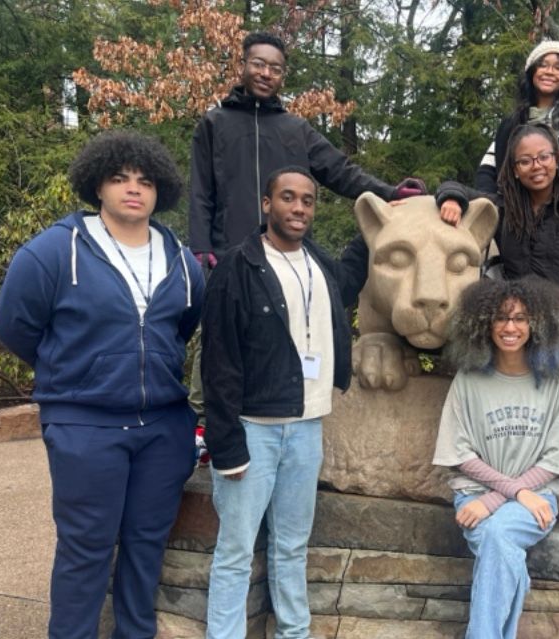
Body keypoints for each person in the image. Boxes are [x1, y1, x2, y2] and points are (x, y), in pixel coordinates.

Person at [0, 130, 204, 638]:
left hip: (162, 425)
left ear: (161, 191)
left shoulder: (182, 259)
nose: (134, 189)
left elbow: (183, 325)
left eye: (145, 180)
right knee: (86, 547)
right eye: (119, 178)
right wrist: (78, 371)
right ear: (98, 185)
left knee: (146, 543)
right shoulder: (53, 251)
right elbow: (14, 325)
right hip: (85, 423)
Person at [186, 31, 423, 420]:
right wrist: (201, 248)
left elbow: (340, 172)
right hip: (230, 254)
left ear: (284, 76)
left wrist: (390, 192)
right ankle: (208, 431)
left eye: (275, 68)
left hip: (290, 258)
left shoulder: (296, 129)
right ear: (242, 65)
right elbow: (201, 191)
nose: (265, 73)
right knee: (220, 348)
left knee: (286, 341)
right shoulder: (215, 124)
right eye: (258, 64)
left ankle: (288, 423)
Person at [200, 166, 369, 638]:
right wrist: (226, 445)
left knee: (292, 546)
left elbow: (349, 283)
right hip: (253, 429)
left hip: (307, 427)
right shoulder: (238, 267)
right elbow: (217, 363)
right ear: (266, 204)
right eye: (288, 198)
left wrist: (374, 225)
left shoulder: (318, 262)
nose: (299, 208)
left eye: (308, 200)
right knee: (235, 551)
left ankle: (294, 633)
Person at [438, 124, 559, 534]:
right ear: (514, 167)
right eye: (525, 160)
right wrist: (450, 197)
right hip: (521, 333)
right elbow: (464, 191)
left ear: (557, 157)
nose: (535, 166)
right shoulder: (506, 204)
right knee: (547, 420)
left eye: (543, 156)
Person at [433, 276, 559, 639]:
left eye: (520, 319)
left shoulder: (557, 381)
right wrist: (508, 493)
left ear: (539, 324)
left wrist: (501, 498)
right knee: (503, 552)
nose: (510, 327)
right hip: (475, 493)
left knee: (498, 534)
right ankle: (515, 583)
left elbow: (555, 457)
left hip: (536, 500)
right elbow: (460, 454)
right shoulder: (468, 379)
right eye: (501, 318)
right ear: (484, 323)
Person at [475, 40, 559, 194]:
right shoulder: (513, 120)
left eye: (558, 68)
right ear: (532, 71)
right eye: (542, 65)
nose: (549, 71)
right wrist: (489, 203)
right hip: (513, 207)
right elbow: (489, 166)